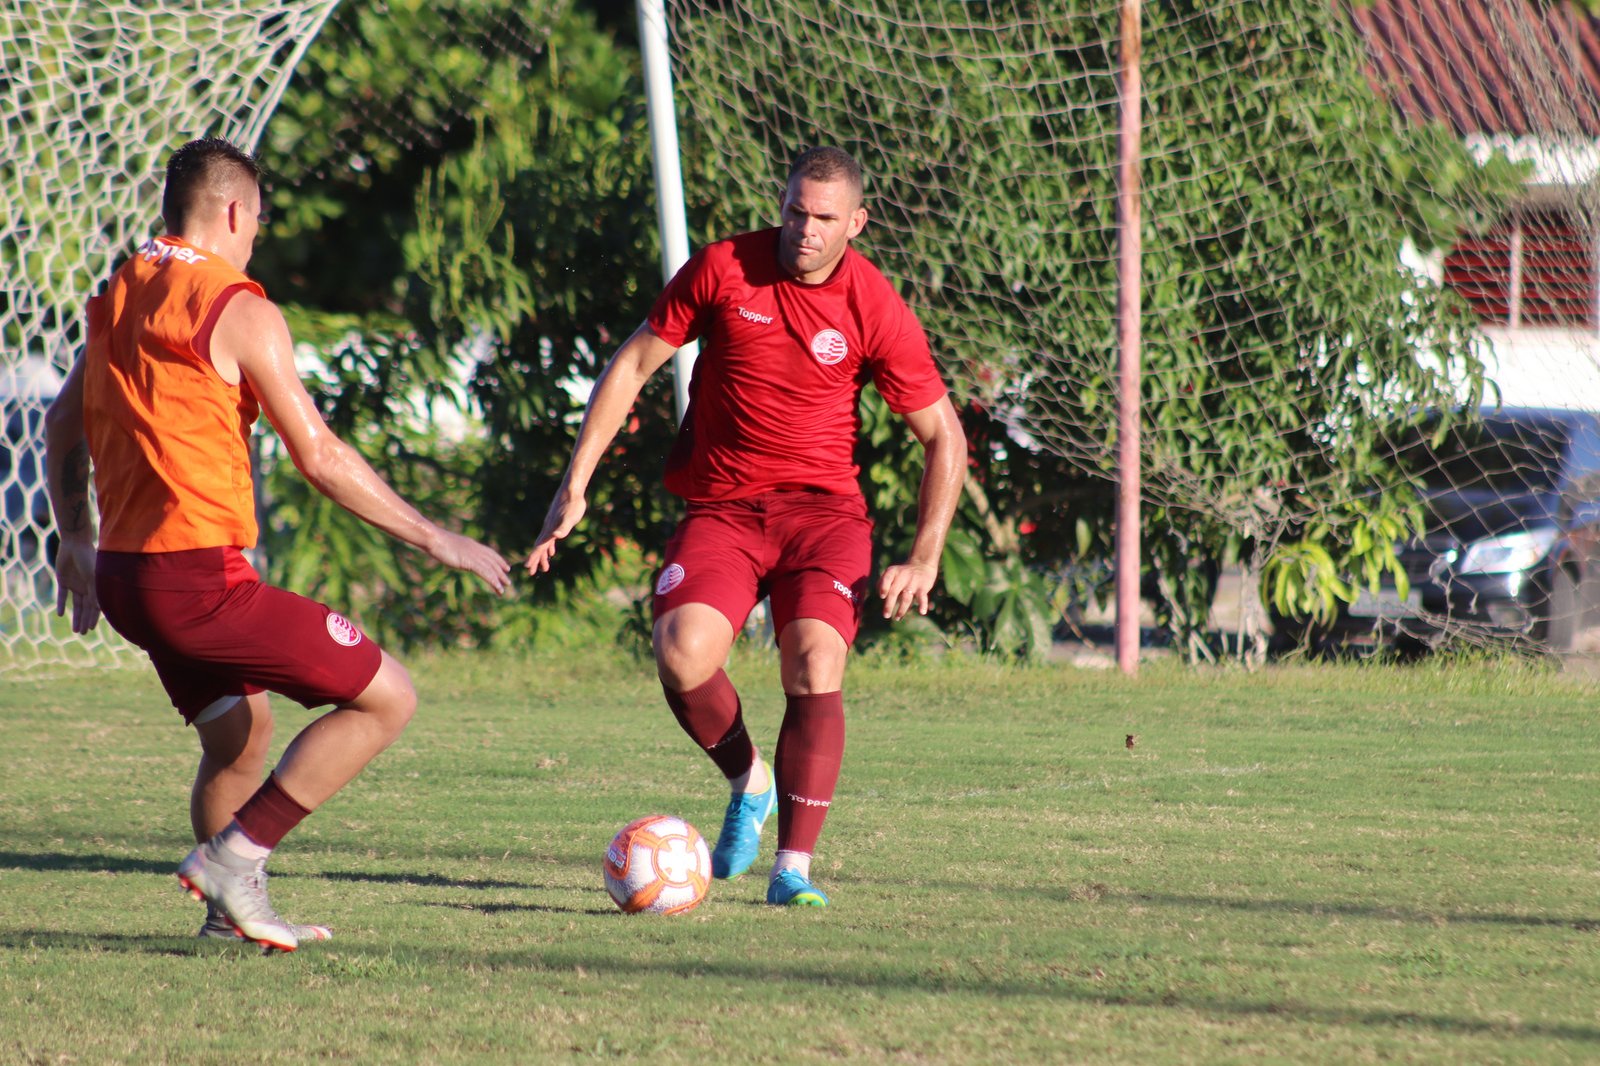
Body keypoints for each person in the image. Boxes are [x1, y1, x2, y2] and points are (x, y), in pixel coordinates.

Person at [44, 137, 512, 952]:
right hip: (197, 582)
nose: (257, 233)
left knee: (239, 734)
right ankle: (235, 858)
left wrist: (76, 542)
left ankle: (227, 917)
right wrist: (434, 536)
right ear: (233, 211)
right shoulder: (237, 307)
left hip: (126, 579)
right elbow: (321, 456)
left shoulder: (119, 289)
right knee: (387, 697)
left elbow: (59, 428)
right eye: (257, 218)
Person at [527, 146, 965, 907]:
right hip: (724, 509)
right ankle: (748, 779)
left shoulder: (874, 304)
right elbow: (632, 366)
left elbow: (945, 436)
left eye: (825, 217)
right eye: (795, 209)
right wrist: (577, 483)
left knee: (814, 663)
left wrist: (924, 558)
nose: (805, 228)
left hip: (823, 517)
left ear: (855, 223)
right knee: (680, 652)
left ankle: (792, 868)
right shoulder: (724, 268)